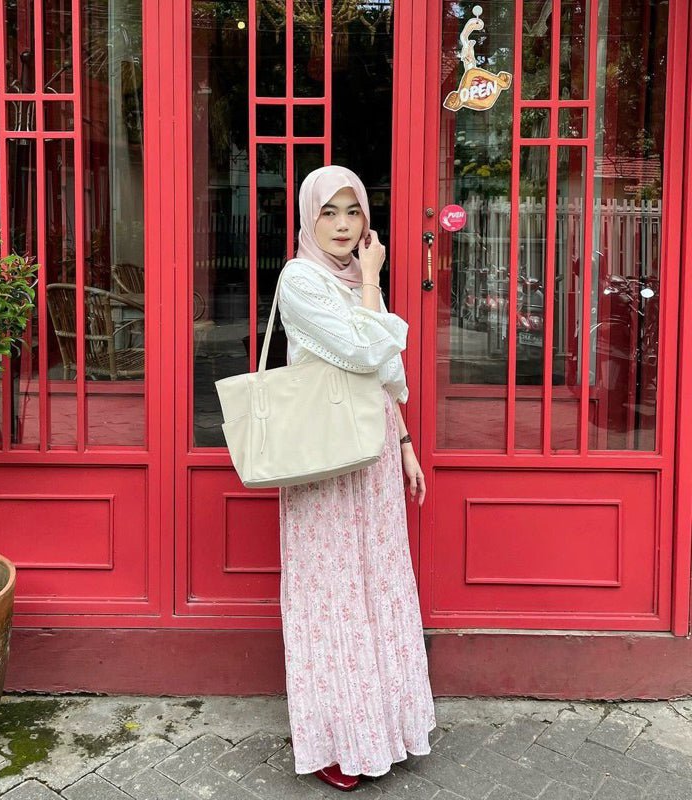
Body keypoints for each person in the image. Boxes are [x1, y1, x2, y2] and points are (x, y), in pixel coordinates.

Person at [277, 165, 436, 791]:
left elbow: (387, 375)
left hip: (372, 457)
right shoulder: (300, 279)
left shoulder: (355, 281)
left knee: (376, 584)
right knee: (332, 594)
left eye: (354, 212)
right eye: (329, 212)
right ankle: (337, 739)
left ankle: (384, 729)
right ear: (309, 219)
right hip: (323, 461)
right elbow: (365, 351)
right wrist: (373, 278)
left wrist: (406, 444)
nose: (343, 226)